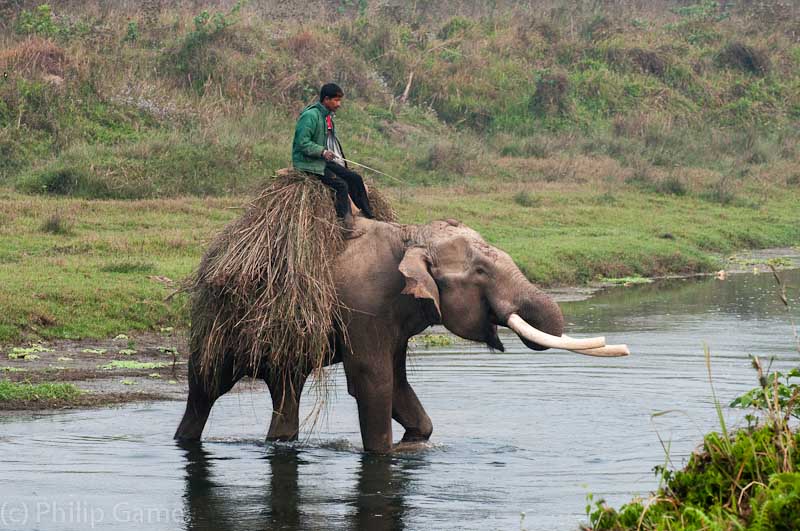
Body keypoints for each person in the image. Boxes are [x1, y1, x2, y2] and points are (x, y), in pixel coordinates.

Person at [292, 83, 375, 237]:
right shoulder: (310, 116)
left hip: (320, 160)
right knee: (341, 185)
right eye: (336, 100)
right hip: (308, 163)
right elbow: (302, 143)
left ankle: (369, 215)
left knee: (354, 177)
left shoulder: (326, 116)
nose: (339, 104)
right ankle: (347, 226)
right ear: (326, 99)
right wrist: (322, 151)